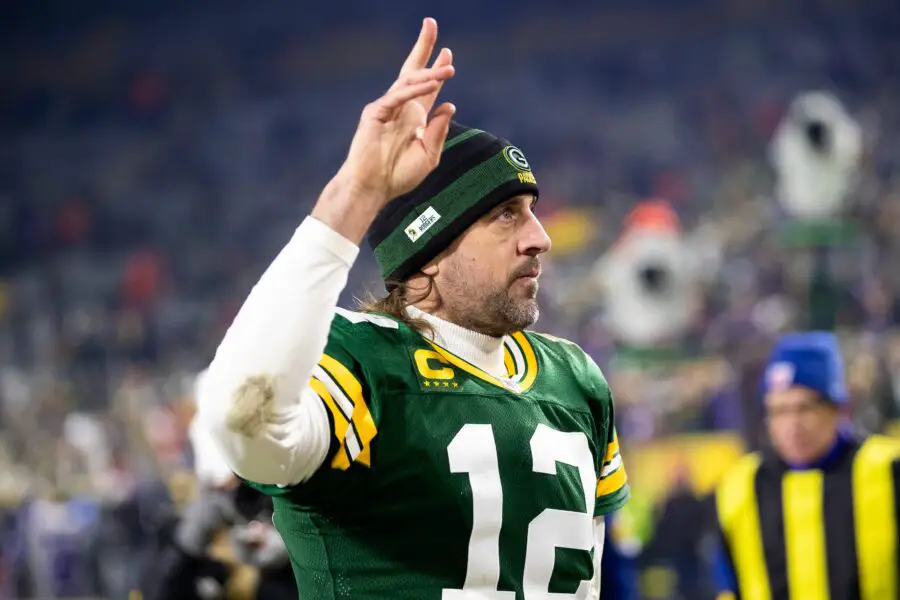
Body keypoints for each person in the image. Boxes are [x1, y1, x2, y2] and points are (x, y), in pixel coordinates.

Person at [197, 16, 629, 599]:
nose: (539, 237)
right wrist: (359, 190)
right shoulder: (362, 364)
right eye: (505, 216)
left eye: (531, 209)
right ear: (426, 252)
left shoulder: (576, 380)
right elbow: (240, 416)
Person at [712, 331, 900, 600]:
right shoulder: (741, 487)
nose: (792, 425)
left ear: (837, 408)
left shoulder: (887, 470)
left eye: (804, 408)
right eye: (779, 411)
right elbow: (727, 584)